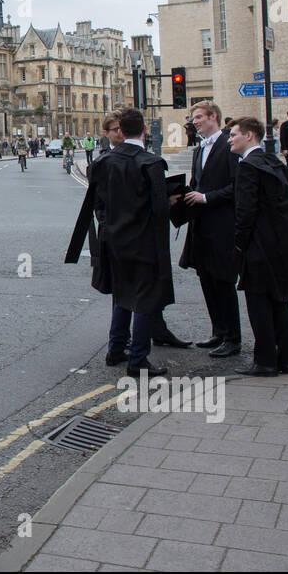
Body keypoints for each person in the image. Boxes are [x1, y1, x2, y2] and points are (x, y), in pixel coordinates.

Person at [65, 108, 173, 376]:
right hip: (144, 242)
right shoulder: (151, 163)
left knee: (121, 295)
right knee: (145, 300)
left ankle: (115, 350)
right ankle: (138, 360)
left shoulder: (102, 163)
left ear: (121, 131)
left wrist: (112, 225)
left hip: (112, 239)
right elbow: (160, 211)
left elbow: (97, 206)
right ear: (144, 130)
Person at [228, 116, 288, 375]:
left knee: (258, 304)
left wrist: (239, 245)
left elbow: (245, 212)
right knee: (279, 301)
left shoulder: (248, 167)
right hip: (280, 244)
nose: (230, 139)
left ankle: (265, 361)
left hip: (257, 247)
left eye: (234, 134)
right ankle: (287, 360)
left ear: (250, 136)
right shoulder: (273, 163)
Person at [170, 100, 242, 360]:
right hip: (201, 226)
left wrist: (206, 198)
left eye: (199, 117)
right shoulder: (200, 150)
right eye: (193, 118)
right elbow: (196, 184)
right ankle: (218, 332)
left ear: (214, 117)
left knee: (223, 281)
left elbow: (236, 187)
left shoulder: (229, 146)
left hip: (221, 225)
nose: (195, 121)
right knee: (207, 280)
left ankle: (233, 338)